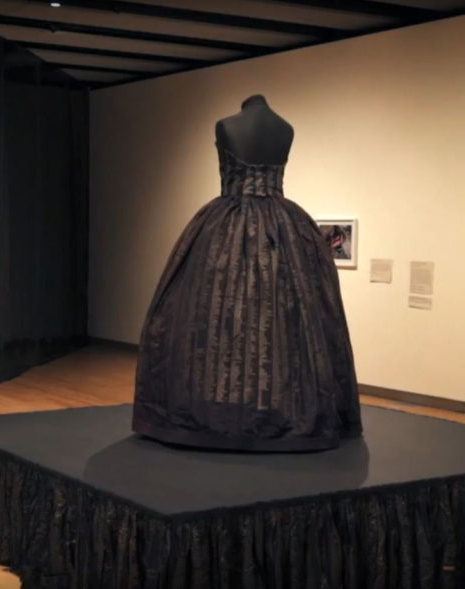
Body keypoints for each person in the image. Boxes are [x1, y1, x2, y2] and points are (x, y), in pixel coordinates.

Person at [131, 95, 362, 452]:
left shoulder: (228, 125)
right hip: (282, 225)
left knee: (223, 318)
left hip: (226, 223)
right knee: (279, 320)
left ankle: (219, 414)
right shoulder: (280, 128)